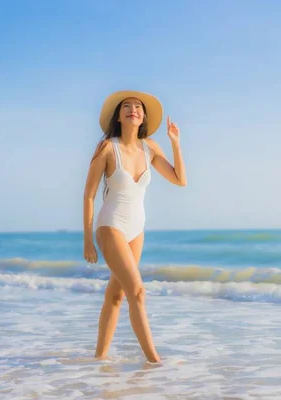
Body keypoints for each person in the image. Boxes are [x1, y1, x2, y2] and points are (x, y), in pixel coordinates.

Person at [82, 90, 187, 363]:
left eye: (138, 107)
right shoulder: (107, 148)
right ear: (119, 116)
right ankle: (155, 361)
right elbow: (89, 195)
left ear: (143, 118)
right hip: (110, 226)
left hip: (136, 229)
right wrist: (87, 240)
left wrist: (175, 143)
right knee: (138, 291)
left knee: (116, 295)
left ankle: (99, 359)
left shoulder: (150, 148)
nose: (133, 109)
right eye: (126, 106)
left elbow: (179, 180)